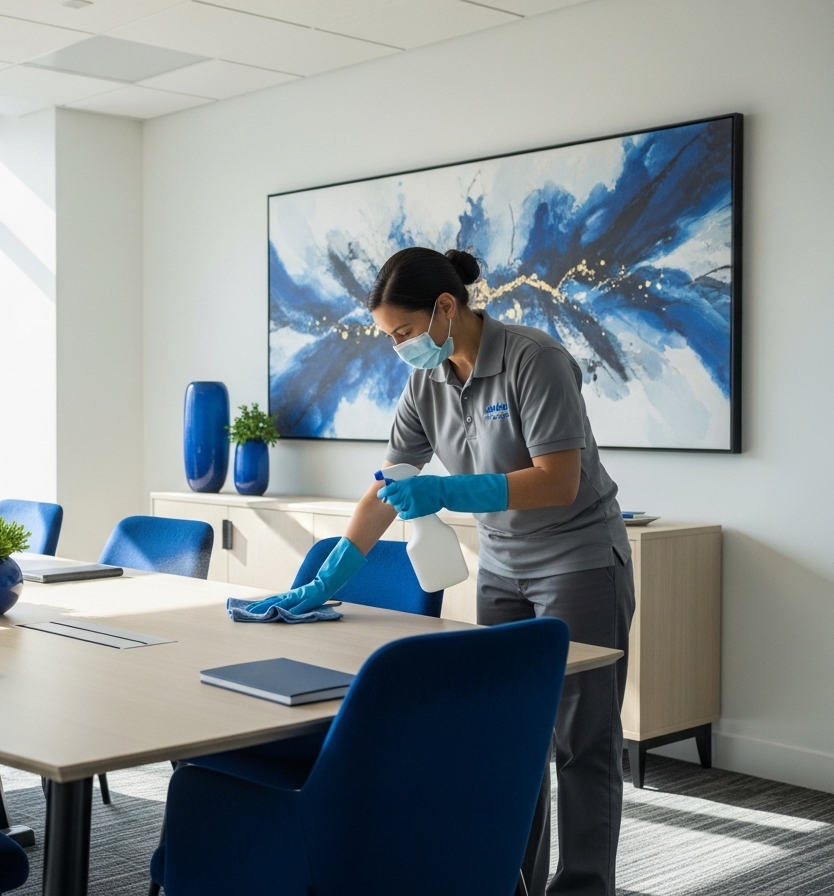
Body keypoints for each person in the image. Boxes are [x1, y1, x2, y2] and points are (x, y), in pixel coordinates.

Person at [247, 246, 634, 896]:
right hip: (502, 567)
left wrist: (448, 494)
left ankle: (584, 888)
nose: (398, 346)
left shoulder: (533, 361)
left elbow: (558, 481)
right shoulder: (426, 382)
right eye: (389, 336)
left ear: (445, 308)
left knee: (581, 740)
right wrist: (324, 579)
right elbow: (389, 484)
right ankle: (512, 882)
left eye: (402, 331)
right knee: (510, 737)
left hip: (579, 559)